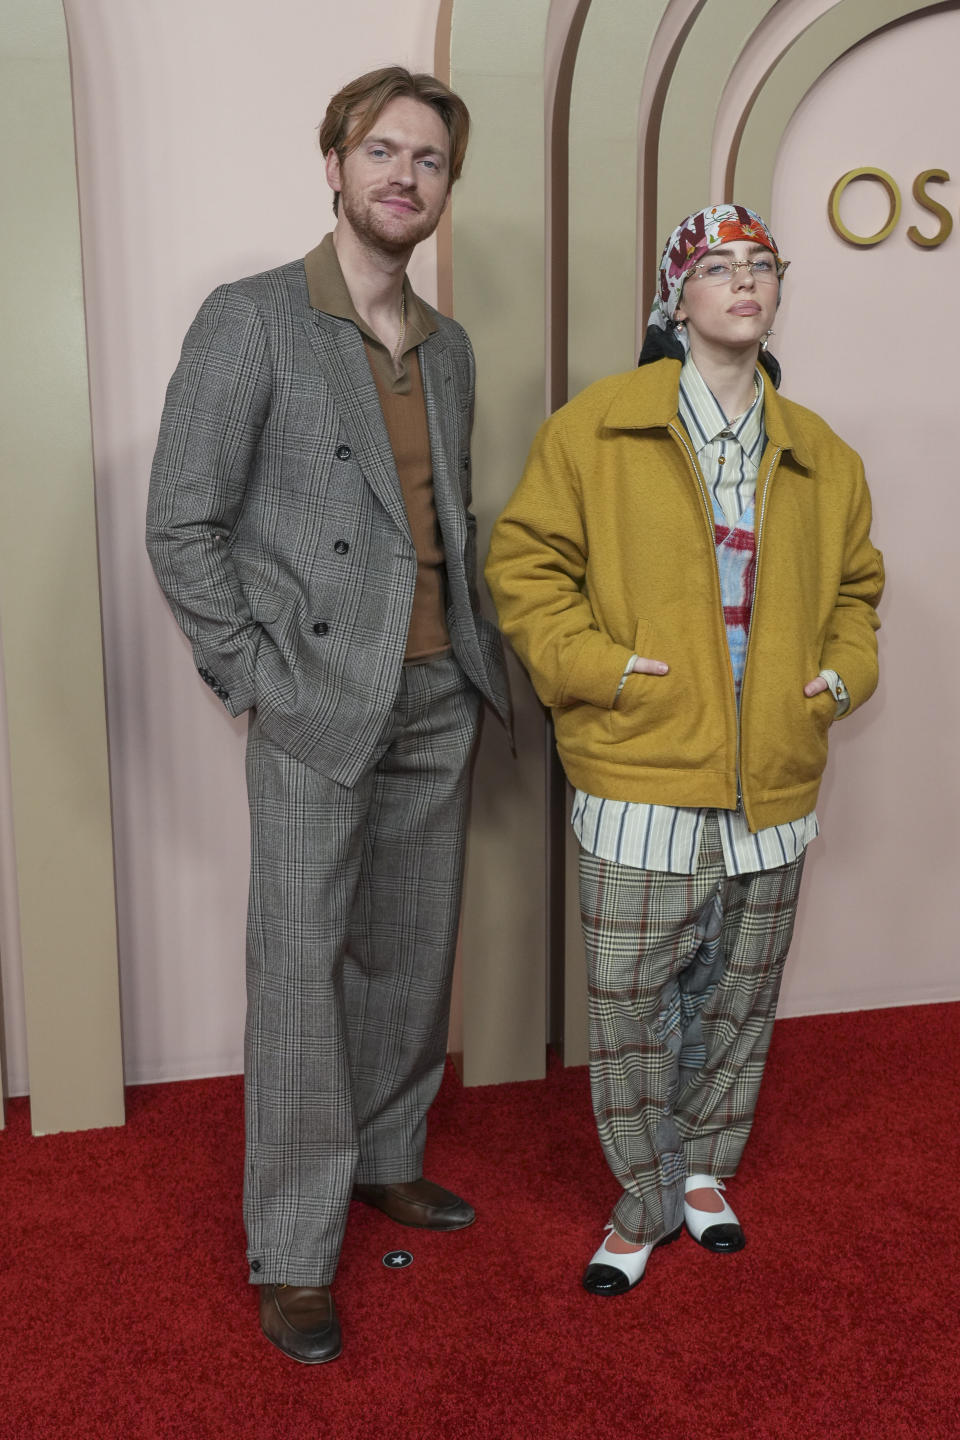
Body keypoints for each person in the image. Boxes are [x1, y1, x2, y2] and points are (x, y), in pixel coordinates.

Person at [146, 66, 509, 1362]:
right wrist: (252, 677)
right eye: (381, 152)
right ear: (335, 165)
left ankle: (387, 1157)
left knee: (411, 954)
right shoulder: (252, 320)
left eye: (428, 161)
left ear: (443, 191)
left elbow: (446, 523)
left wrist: (475, 658)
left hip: (435, 691)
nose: (403, 176)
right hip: (312, 696)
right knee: (301, 973)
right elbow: (182, 521)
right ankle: (294, 1250)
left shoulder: (449, 344)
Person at [485, 204, 883, 1296]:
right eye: (718, 266)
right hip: (640, 774)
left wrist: (839, 680)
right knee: (630, 1007)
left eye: (762, 266)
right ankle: (643, 1196)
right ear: (677, 299)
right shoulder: (593, 430)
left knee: (738, 997)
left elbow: (858, 590)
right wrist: (604, 671)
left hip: (776, 786)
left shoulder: (822, 453)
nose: (744, 283)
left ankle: (705, 1173)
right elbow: (524, 572)